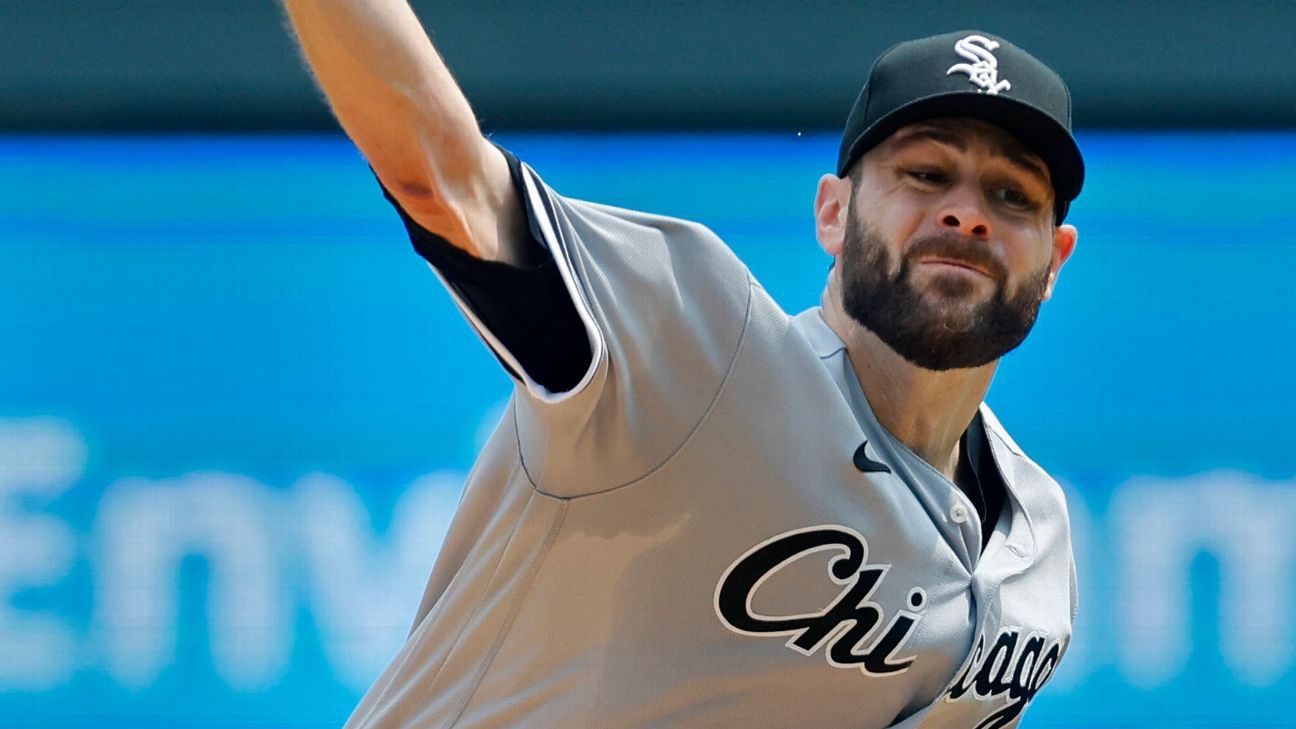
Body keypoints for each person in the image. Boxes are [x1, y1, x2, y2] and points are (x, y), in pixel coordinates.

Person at [282, 3, 1082, 727]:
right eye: (927, 173)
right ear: (833, 214)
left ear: (1054, 262)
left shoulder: (1036, 555)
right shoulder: (700, 357)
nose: (967, 213)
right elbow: (441, 175)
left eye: (1012, 195)